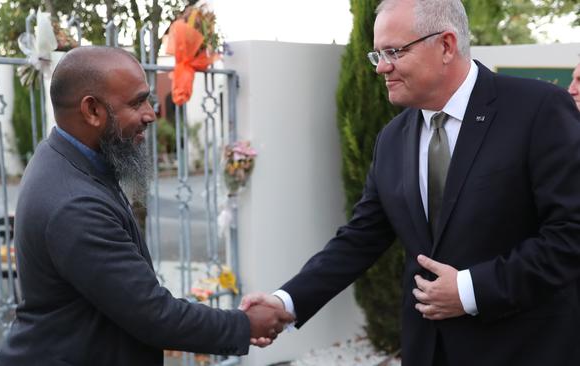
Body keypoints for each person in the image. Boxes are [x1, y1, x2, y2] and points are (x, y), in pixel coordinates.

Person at [241, 0, 580, 365]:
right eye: (377, 55)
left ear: (447, 45)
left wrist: (470, 290)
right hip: (427, 351)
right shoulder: (392, 138)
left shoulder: (538, 109)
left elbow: (570, 232)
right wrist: (286, 302)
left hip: (524, 349)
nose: (381, 67)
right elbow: (361, 238)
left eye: (394, 52)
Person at [0, 46, 294, 366]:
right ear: (92, 111)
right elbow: (153, 315)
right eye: (137, 102)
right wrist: (246, 324)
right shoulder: (74, 204)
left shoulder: (65, 159)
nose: (151, 114)